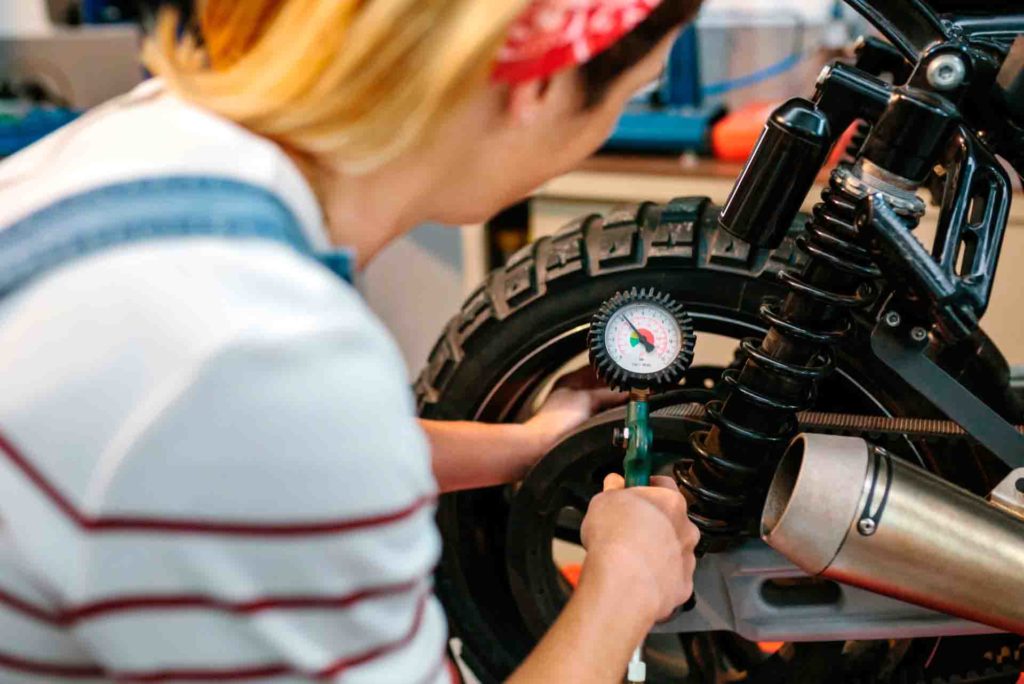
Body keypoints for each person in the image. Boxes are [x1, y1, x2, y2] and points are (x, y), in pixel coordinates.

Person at [0, 0, 702, 681]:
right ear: (541, 83)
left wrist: (527, 445)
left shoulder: (149, 135)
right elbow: (249, 417)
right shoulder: (255, 352)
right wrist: (624, 589)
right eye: (629, 95)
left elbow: (249, 454)